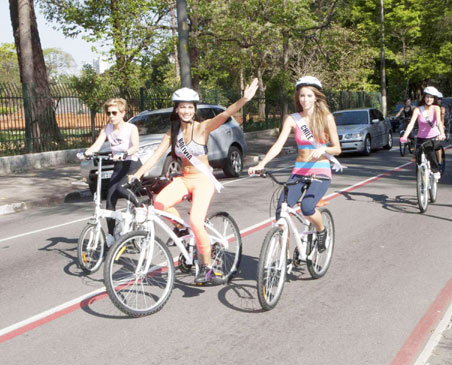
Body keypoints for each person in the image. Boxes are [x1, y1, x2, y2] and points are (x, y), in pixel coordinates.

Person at [130, 79, 259, 284]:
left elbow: (226, 114)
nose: (186, 111)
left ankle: (207, 267)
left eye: (190, 107)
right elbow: (155, 156)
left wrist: (245, 99)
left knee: (197, 222)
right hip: (185, 178)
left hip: (202, 180)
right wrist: (137, 174)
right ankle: (182, 230)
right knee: (159, 204)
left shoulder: (203, 128)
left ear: (194, 109)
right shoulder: (173, 132)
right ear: (177, 109)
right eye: (182, 107)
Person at [248, 76, 342, 253]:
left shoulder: (326, 118)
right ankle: (284, 254)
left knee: (307, 208)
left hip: (320, 171)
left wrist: (323, 149)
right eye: (301, 96)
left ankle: (321, 231)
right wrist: (262, 163)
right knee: (281, 211)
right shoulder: (293, 119)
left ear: (316, 97)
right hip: (299, 170)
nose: (305, 99)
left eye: (309, 95)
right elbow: (278, 145)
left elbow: (337, 149)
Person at [77, 98, 140, 247]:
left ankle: (140, 208)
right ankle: (111, 236)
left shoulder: (131, 128)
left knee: (121, 188)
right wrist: (86, 153)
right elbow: (97, 145)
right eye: (108, 113)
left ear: (122, 113)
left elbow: (135, 147)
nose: (111, 116)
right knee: (110, 201)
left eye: (114, 112)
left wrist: (125, 153)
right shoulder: (107, 129)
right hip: (118, 167)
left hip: (132, 166)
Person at [400, 86, 446, 180]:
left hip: (433, 136)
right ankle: (421, 178)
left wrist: (442, 133)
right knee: (417, 154)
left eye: (431, 97)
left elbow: (438, 122)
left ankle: (435, 170)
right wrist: (405, 136)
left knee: (430, 151)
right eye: (427, 97)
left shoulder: (436, 108)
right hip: (421, 137)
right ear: (424, 97)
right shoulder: (418, 109)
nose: (429, 99)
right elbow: (411, 124)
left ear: (434, 99)